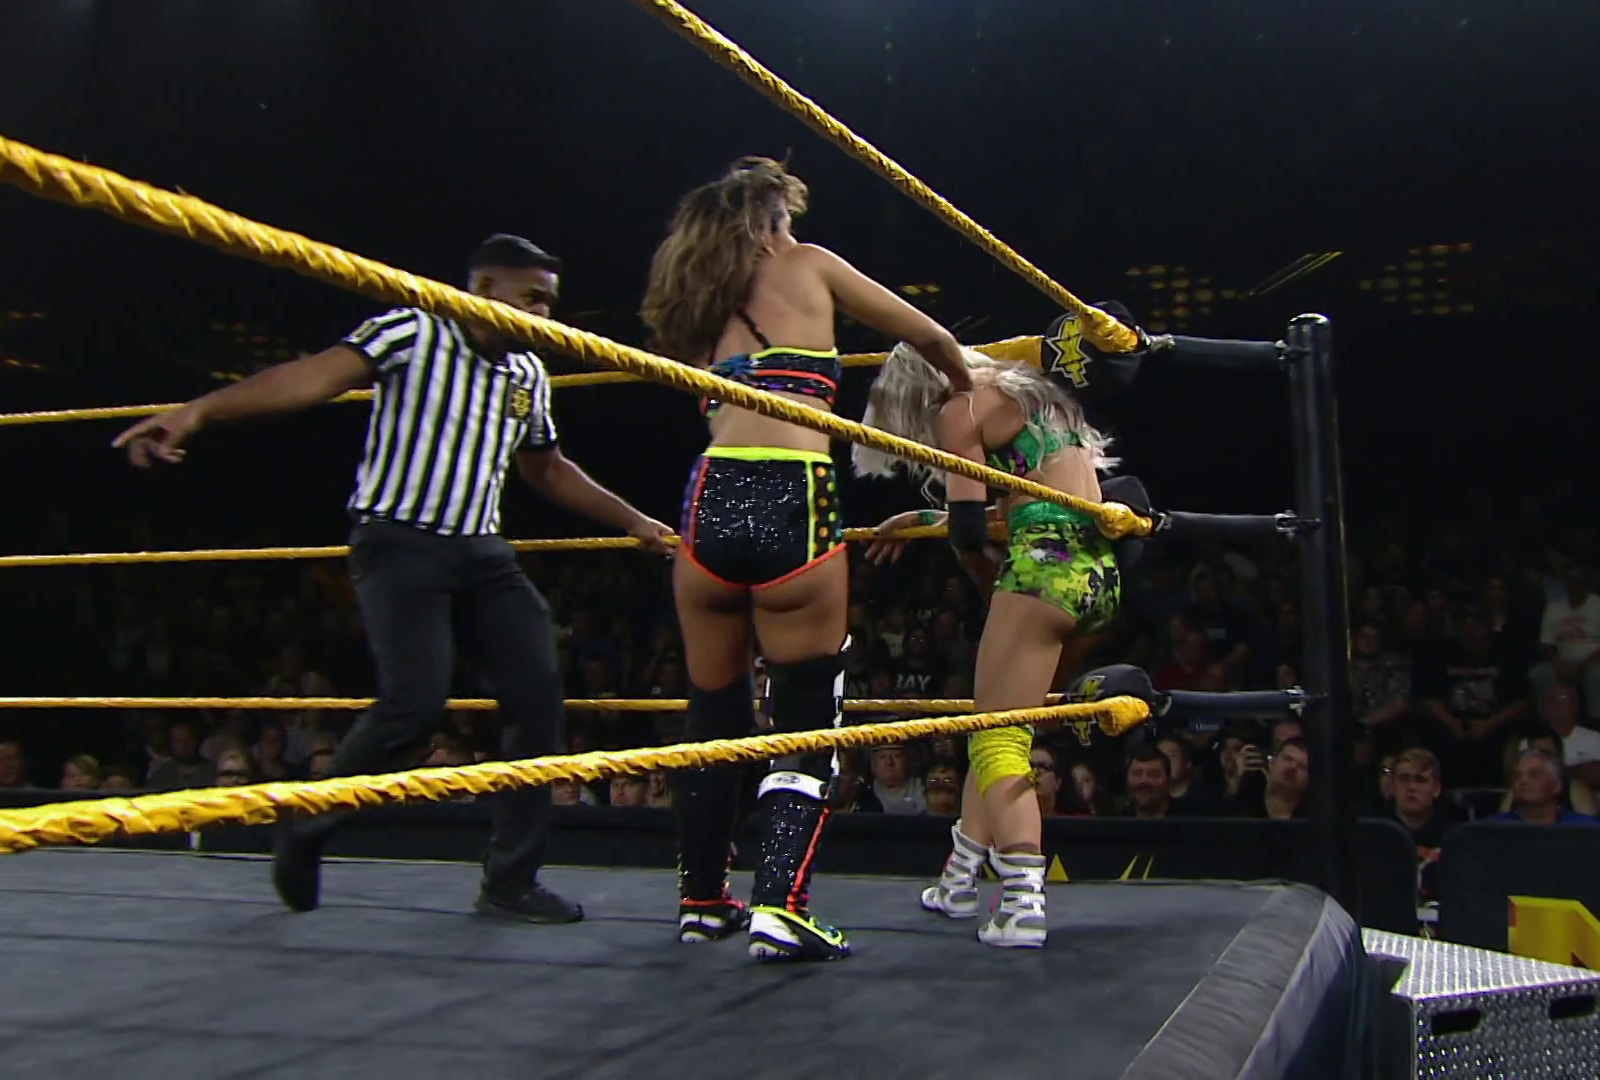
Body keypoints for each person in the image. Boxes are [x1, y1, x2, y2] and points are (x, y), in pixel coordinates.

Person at [114, 233, 673, 922]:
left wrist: (635, 521)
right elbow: (311, 379)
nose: (544, 315)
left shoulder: (527, 372)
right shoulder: (412, 329)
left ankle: (512, 878)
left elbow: (547, 468)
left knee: (538, 691)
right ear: (484, 289)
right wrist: (200, 410)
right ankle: (309, 822)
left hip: (482, 551)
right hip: (399, 541)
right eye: (531, 298)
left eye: (550, 303)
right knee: (416, 702)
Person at [639, 157, 970, 962]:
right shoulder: (809, 264)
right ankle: (780, 906)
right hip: (793, 492)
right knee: (806, 710)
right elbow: (927, 335)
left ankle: (701, 900)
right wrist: (966, 389)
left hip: (709, 496)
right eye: (785, 221)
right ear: (769, 223)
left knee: (712, 714)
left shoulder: (697, 301)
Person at [854, 341, 1121, 948]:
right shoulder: (1036, 397)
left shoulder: (959, 408)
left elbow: (973, 533)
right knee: (994, 724)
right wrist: (919, 521)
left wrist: (990, 587)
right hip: (1096, 574)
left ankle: (1023, 900)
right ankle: (959, 878)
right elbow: (1029, 506)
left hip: (1041, 574)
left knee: (999, 738)